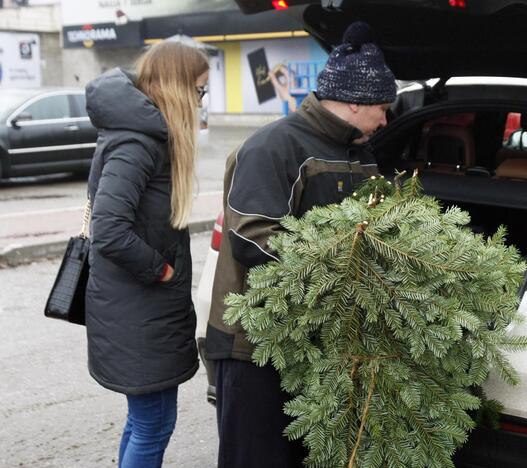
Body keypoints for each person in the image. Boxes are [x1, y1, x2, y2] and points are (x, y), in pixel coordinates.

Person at [205, 21, 396, 468]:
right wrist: (343, 270)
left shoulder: (359, 151)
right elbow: (253, 234)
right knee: (256, 457)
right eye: (383, 108)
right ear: (355, 101)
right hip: (256, 345)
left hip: (319, 339)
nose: (386, 120)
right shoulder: (273, 147)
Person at [84, 42, 209, 468]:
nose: (201, 101)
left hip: (142, 310)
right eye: (199, 90)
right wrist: (162, 271)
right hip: (139, 310)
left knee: (143, 423)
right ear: (176, 88)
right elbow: (109, 230)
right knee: (153, 424)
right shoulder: (137, 143)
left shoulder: (146, 136)